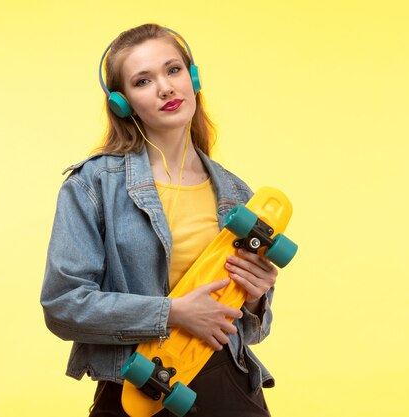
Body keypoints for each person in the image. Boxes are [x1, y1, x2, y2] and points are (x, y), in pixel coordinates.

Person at [40, 23, 277, 417]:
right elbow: (63, 305)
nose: (165, 88)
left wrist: (254, 298)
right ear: (123, 103)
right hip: (138, 390)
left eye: (173, 70)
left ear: (193, 78)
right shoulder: (92, 186)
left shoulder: (237, 194)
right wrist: (172, 313)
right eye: (143, 81)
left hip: (229, 386)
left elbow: (252, 330)